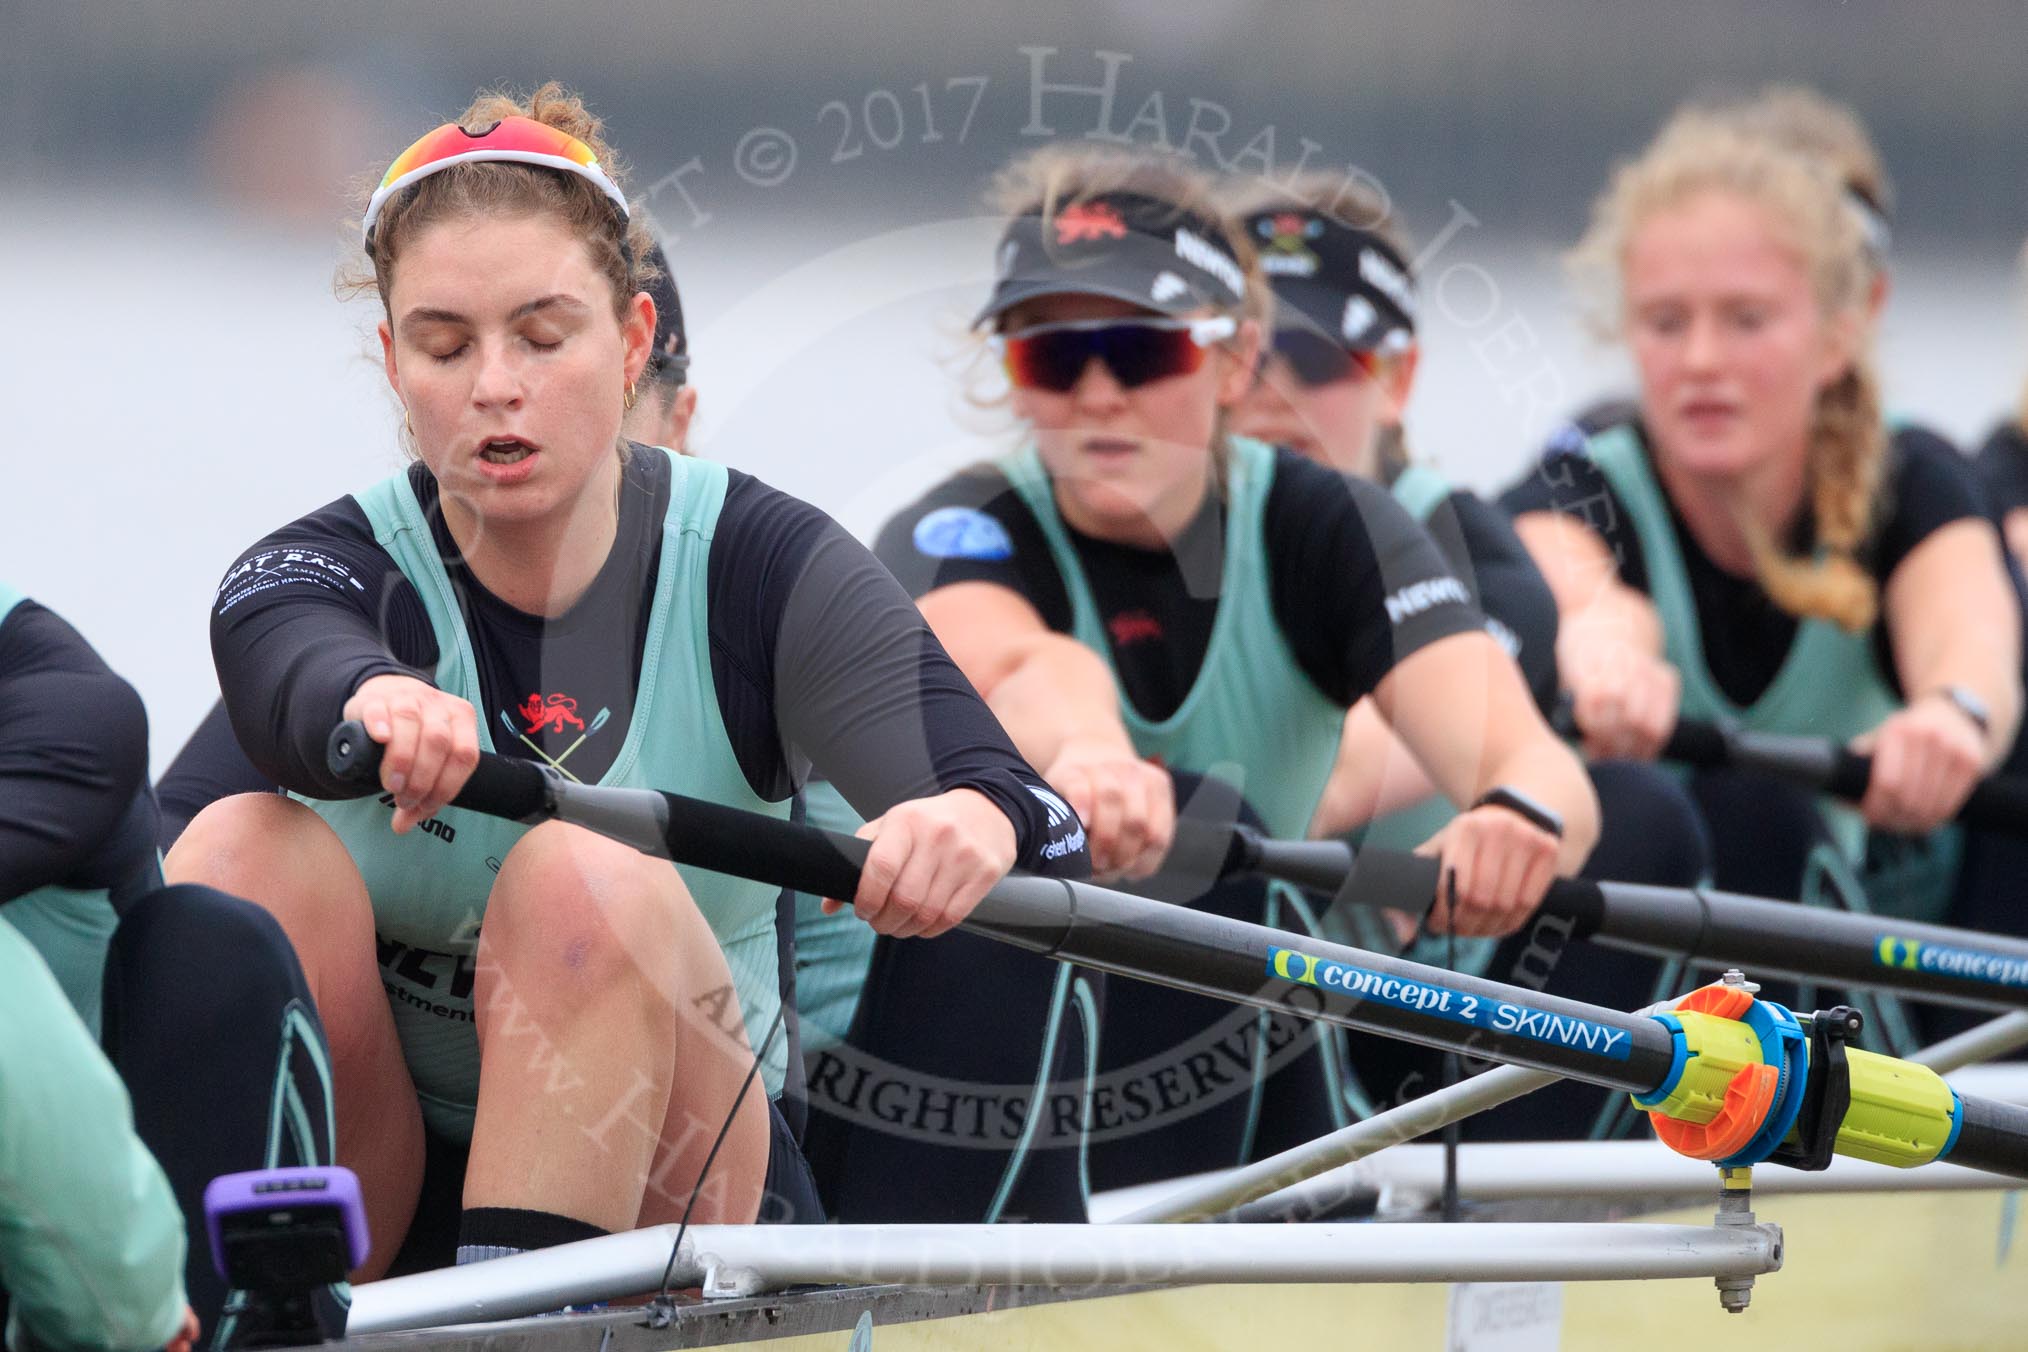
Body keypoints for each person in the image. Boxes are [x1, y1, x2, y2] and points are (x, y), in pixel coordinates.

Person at [164, 84, 1087, 1277]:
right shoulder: (326, 569)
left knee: (580, 879)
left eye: (543, 336)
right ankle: (261, 1303)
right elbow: (279, 644)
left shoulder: (765, 566)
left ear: (636, 339)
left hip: (691, 1192)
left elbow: (1035, 817)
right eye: (446, 345)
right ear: (394, 363)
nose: (495, 384)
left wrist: (973, 818)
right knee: (237, 853)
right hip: (392, 1178)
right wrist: (372, 692)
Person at [826, 145, 1598, 1194]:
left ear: (1233, 363)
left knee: (1209, 841)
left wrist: (1517, 817)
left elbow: (1544, 767)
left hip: (1226, 1062)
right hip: (979, 1071)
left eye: (1142, 350)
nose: (1098, 393)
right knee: (1194, 829)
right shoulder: (961, 525)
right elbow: (1011, 662)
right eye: (1052, 357)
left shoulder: (1329, 530)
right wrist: (1092, 757)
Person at [1502, 110, 2021, 1047]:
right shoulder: (1581, 482)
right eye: (1667, 322)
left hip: (1873, 976)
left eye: (1746, 320)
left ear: (1837, 333)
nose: (1701, 361)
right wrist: (1601, 655)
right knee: (1707, 810)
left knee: (1761, 812)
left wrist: (1955, 715)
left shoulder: (1913, 480)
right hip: (1656, 986)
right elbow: (1576, 590)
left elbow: (1972, 635)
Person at [1225, 178, 1710, 1138]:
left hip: (1425, 1024)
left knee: (1644, 817)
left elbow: (1339, 770)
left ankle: (1526, 1211)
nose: (1275, 395)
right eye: (1247, 356)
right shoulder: (1144, 539)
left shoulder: (1472, 555)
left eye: (1318, 357)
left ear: (1394, 378)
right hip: (1243, 991)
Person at [156, 240, 697, 849]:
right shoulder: (373, 616)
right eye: (449, 350)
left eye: (546, 345)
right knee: (245, 842)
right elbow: (167, 851)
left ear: (677, 421)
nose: (510, 410)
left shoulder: (746, 637)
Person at [0, 583, 335, 1343]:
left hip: (94, 1229)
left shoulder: (62, 705)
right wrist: (136, 1316)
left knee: (208, 941)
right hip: (103, 1272)